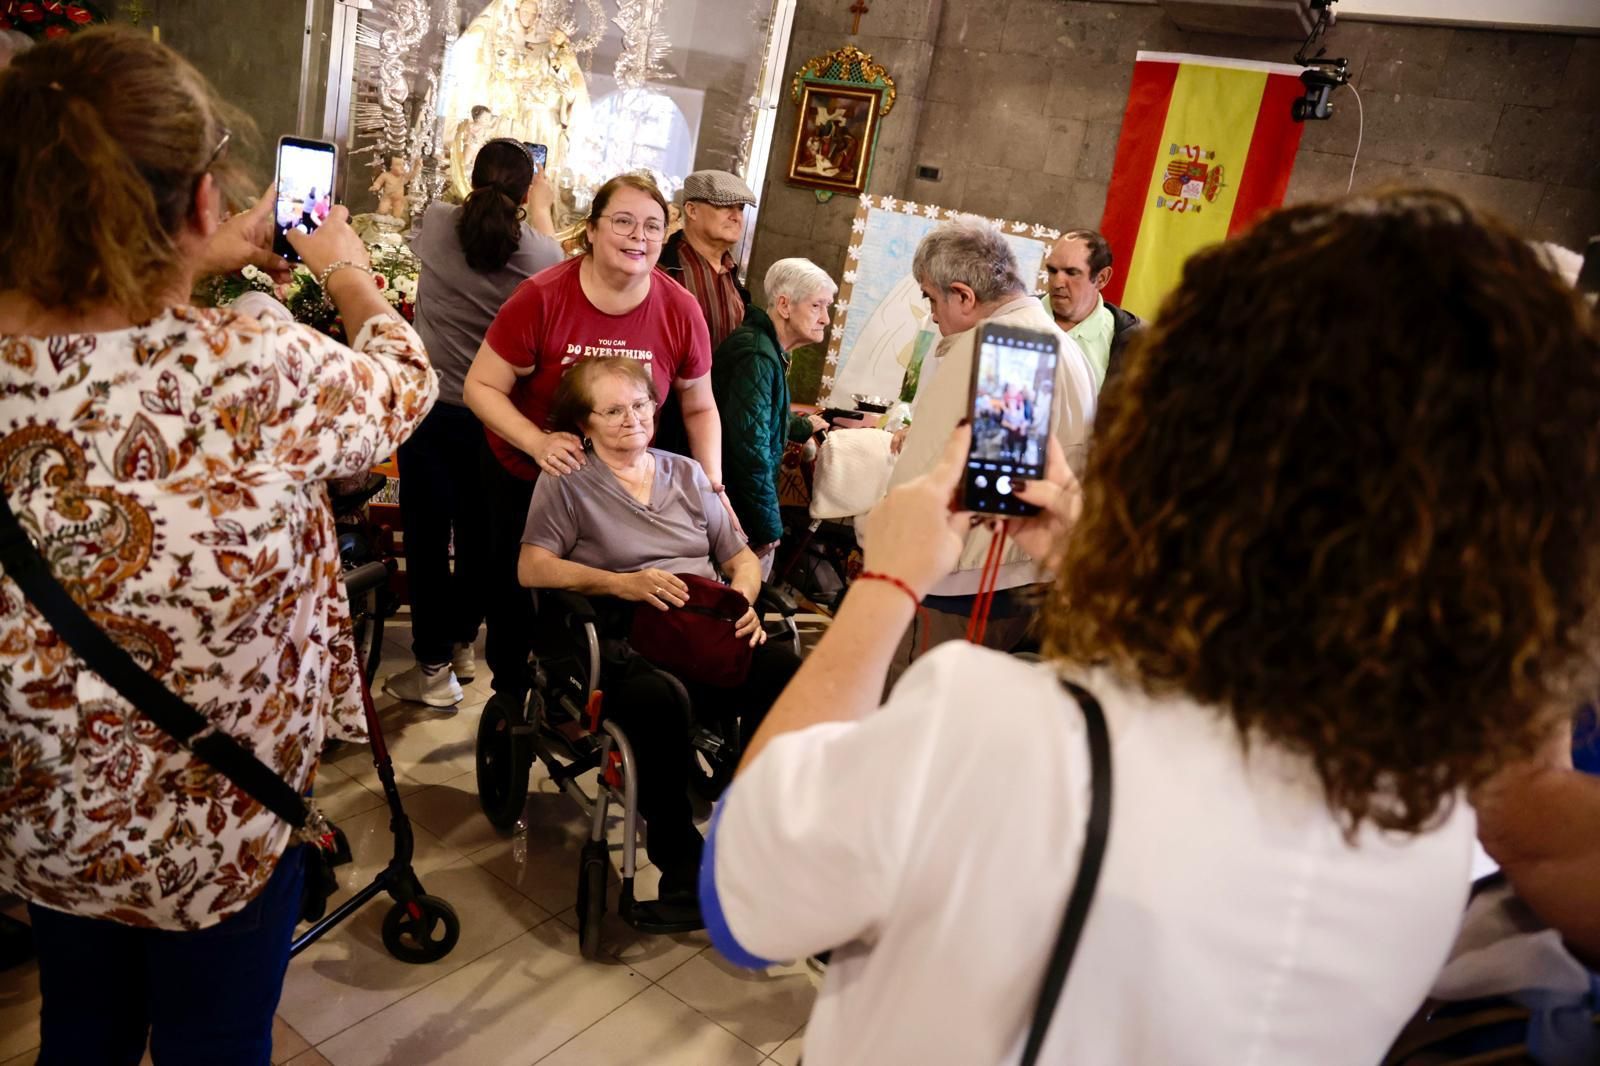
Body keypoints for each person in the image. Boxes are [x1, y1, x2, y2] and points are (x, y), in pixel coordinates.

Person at [701, 188, 1600, 1065]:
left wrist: (888, 578)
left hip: (958, 582)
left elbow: (745, 904)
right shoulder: (1437, 828)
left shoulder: (992, 728)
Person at [0, 28, 437, 1065]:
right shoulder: (251, 365)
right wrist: (348, 273)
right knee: (216, 1040)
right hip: (223, 818)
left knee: (84, 1030)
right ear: (201, 203)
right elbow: (404, 387)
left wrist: (186, 257)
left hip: (49, 806)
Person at [519, 358, 799, 923]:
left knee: (786, 669)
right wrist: (624, 584)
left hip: (703, 625)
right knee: (658, 700)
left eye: (641, 405)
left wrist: (742, 601)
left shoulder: (689, 473)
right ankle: (681, 871)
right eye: (614, 410)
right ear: (584, 423)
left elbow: (741, 557)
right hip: (627, 631)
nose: (632, 419)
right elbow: (532, 567)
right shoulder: (567, 480)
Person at [463, 173, 726, 705]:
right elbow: (480, 386)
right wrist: (536, 442)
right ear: (591, 230)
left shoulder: (680, 309)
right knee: (520, 591)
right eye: (623, 222)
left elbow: (699, 405)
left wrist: (712, 486)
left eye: (654, 226)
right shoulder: (541, 296)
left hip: (618, 482)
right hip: (530, 469)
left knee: (612, 596)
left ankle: (599, 691)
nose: (639, 237)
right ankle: (512, 692)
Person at [385, 139, 563, 707]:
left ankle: (434, 666)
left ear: (471, 174)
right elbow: (553, 258)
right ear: (526, 188)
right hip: (497, 415)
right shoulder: (540, 253)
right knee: (484, 540)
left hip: (433, 409)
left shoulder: (438, 225)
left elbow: (410, 224)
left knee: (429, 536)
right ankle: (461, 640)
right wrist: (542, 207)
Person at [886, 218, 1096, 665]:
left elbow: (998, 491)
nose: (932, 314)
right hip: (1015, 578)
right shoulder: (1061, 342)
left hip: (966, 587)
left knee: (915, 718)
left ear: (963, 294)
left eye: (931, 298)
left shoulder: (1009, 348)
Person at [712, 258, 835, 577]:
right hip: (731, 512)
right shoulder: (756, 355)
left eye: (827, 307)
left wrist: (804, 424)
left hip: (733, 507)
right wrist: (769, 528)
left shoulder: (766, 349)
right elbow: (750, 453)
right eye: (817, 306)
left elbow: (761, 419)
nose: (825, 319)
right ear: (784, 305)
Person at [657, 169, 755, 352]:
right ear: (692, 210)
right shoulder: (661, 269)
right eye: (725, 206)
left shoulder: (731, 272)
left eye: (741, 208)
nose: (736, 217)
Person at [1041, 229, 1142, 391]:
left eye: (1072, 273)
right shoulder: (1014, 316)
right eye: (1052, 270)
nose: (1057, 283)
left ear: (1101, 278)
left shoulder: (1130, 340)